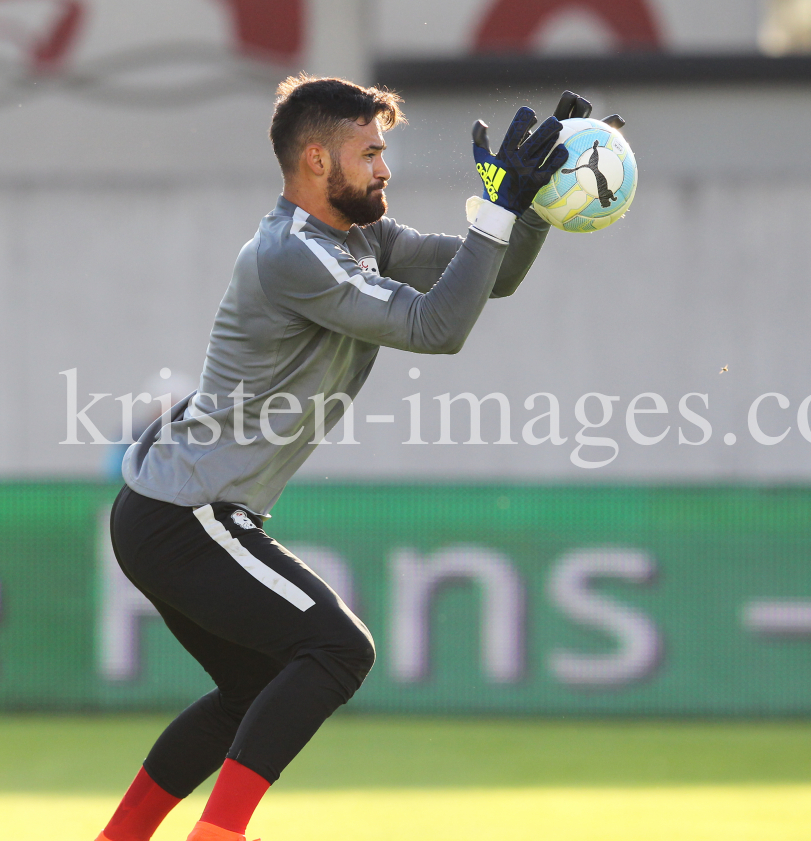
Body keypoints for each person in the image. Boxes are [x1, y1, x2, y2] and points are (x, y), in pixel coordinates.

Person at [95, 76, 599, 841]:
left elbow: (487, 281)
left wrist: (524, 208)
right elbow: (438, 329)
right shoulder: (291, 252)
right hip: (184, 513)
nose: (385, 168)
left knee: (253, 686)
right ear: (315, 160)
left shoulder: (361, 239)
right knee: (337, 647)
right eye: (371, 152)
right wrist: (499, 211)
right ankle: (218, 835)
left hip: (177, 510)